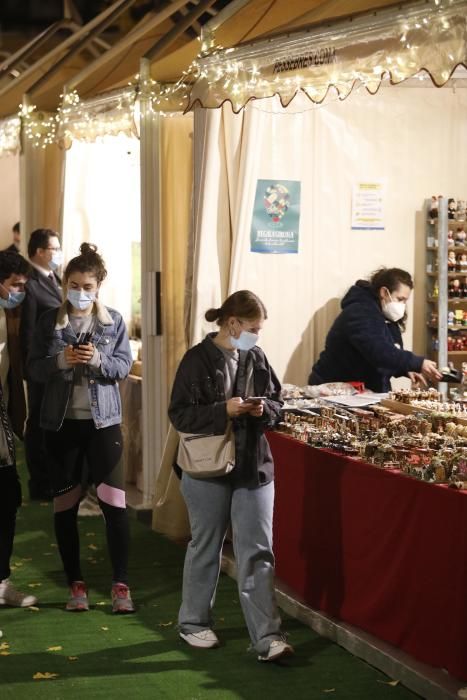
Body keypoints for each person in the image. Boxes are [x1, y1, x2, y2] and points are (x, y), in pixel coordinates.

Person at [168, 290, 294, 662]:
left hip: (253, 465)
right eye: (253, 327)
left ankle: (268, 636)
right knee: (206, 546)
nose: (257, 335)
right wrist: (224, 410)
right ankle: (193, 623)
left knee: (258, 551)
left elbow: (278, 404)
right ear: (233, 323)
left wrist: (262, 411)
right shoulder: (196, 359)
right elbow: (179, 415)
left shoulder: (256, 357)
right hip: (207, 466)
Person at [27, 243, 135, 614]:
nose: (81, 292)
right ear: (64, 284)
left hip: (103, 424)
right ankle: (76, 583)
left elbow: (123, 368)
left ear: (98, 288)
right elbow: (33, 370)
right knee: (65, 505)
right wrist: (60, 360)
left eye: (87, 287)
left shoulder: (114, 322)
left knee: (115, 504)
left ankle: (121, 584)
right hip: (60, 425)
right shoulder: (48, 322)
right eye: (74, 285)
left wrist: (99, 359)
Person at [309, 267, 442, 392]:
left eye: (405, 301)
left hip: (362, 391)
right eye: (400, 299)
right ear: (384, 292)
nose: (402, 306)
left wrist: (403, 369)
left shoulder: (385, 314)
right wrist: (416, 363)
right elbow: (379, 352)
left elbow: (389, 353)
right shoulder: (360, 312)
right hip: (336, 391)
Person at [0, 250, 37, 608]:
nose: (20, 291)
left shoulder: (11, 312)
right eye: (16, 285)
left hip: (3, 421)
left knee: (8, 498)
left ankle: (1, 582)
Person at [20, 228, 63, 499]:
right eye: (54, 249)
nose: (58, 253)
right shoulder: (30, 283)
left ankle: (55, 476)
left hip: (58, 365)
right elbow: (27, 333)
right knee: (37, 423)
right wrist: (32, 369)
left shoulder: (55, 278)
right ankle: (40, 482)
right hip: (40, 367)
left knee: (52, 422)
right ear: (39, 252)